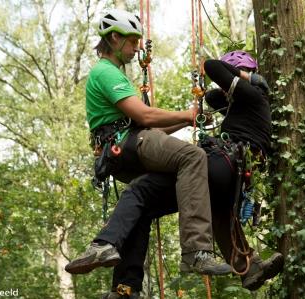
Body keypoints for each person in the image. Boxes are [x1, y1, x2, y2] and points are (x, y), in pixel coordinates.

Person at [98, 51, 284, 298]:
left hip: (223, 163)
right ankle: (249, 268)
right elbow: (213, 96)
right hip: (231, 176)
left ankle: (106, 245)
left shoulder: (252, 96)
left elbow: (211, 66)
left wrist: (246, 78)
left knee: (141, 189)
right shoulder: (243, 105)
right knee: (215, 212)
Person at [65, 8, 231, 277]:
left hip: (128, 143)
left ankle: (123, 281)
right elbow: (144, 116)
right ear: (115, 38)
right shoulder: (106, 72)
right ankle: (196, 251)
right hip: (126, 142)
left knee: (142, 197)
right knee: (193, 156)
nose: (135, 49)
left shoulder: (113, 75)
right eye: (132, 42)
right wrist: (188, 114)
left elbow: (150, 127)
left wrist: (189, 121)